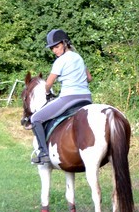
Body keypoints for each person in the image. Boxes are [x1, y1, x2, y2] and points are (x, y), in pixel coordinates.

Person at [30, 29, 93, 164]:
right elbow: (89, 78)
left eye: (57, 46)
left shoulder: (60, 61)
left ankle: (43, 153)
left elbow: (48, 83)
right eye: (52, 48)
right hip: (87, 98)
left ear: (65, 43)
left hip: (69, 98)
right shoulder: (79, 57)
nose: (54, 51)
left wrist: (47, 93)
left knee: (35, 118)